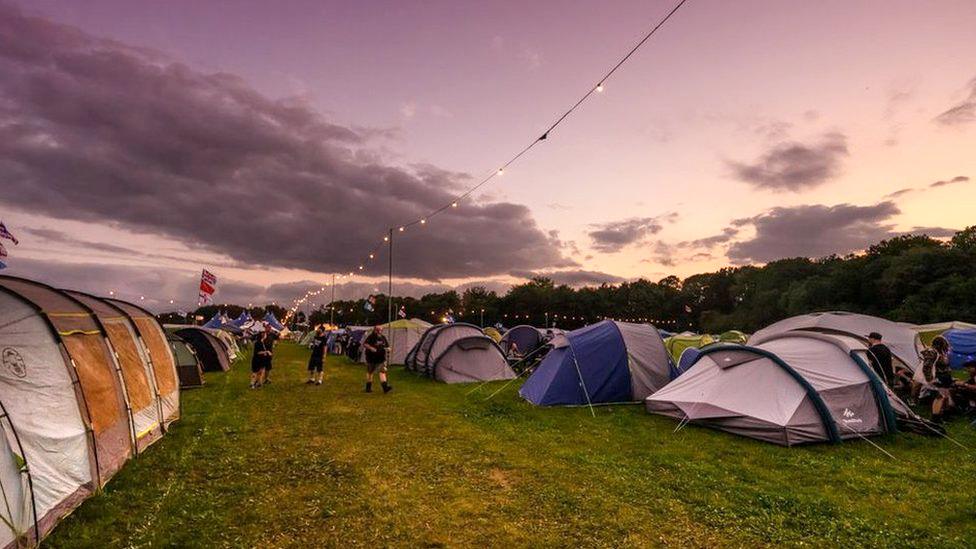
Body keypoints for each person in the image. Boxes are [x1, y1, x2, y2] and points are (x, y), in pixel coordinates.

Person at [920, 336, 954, 423]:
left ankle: (945, 416)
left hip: (945, 377)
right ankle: (935, 418)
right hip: (938, 377)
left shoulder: (941, 353)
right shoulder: (932, 353)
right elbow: (926, 367)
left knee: (945, 396)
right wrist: (930, 379)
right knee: (939, 396)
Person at [362, 325, 392, 393]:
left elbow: (387, 346)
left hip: (381, 358)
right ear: (375, 330)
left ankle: (385, 388)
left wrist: (388, 349)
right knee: (370, 372)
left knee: (382, 371)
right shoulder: (371, 337)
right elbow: (365, 344)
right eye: (378, 330)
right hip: (371, 358)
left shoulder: (383, 338)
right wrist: (371, 348)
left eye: (381, 330)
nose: (379, 331)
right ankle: (368, 388)